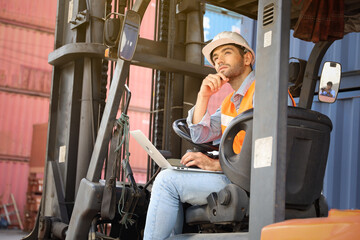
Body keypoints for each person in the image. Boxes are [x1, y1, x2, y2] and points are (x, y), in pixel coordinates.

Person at [143, 31, 294, 239]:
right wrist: (203, 95)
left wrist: (215, 165)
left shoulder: (266, 91)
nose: (219, 60)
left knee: (167, 182)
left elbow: (268, 150)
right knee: (170, 180)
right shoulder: (230, 102)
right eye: (215, 58)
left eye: (227, 52)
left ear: (247, 58)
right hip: (236, 176)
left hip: (253, 181)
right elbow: (200, 134)